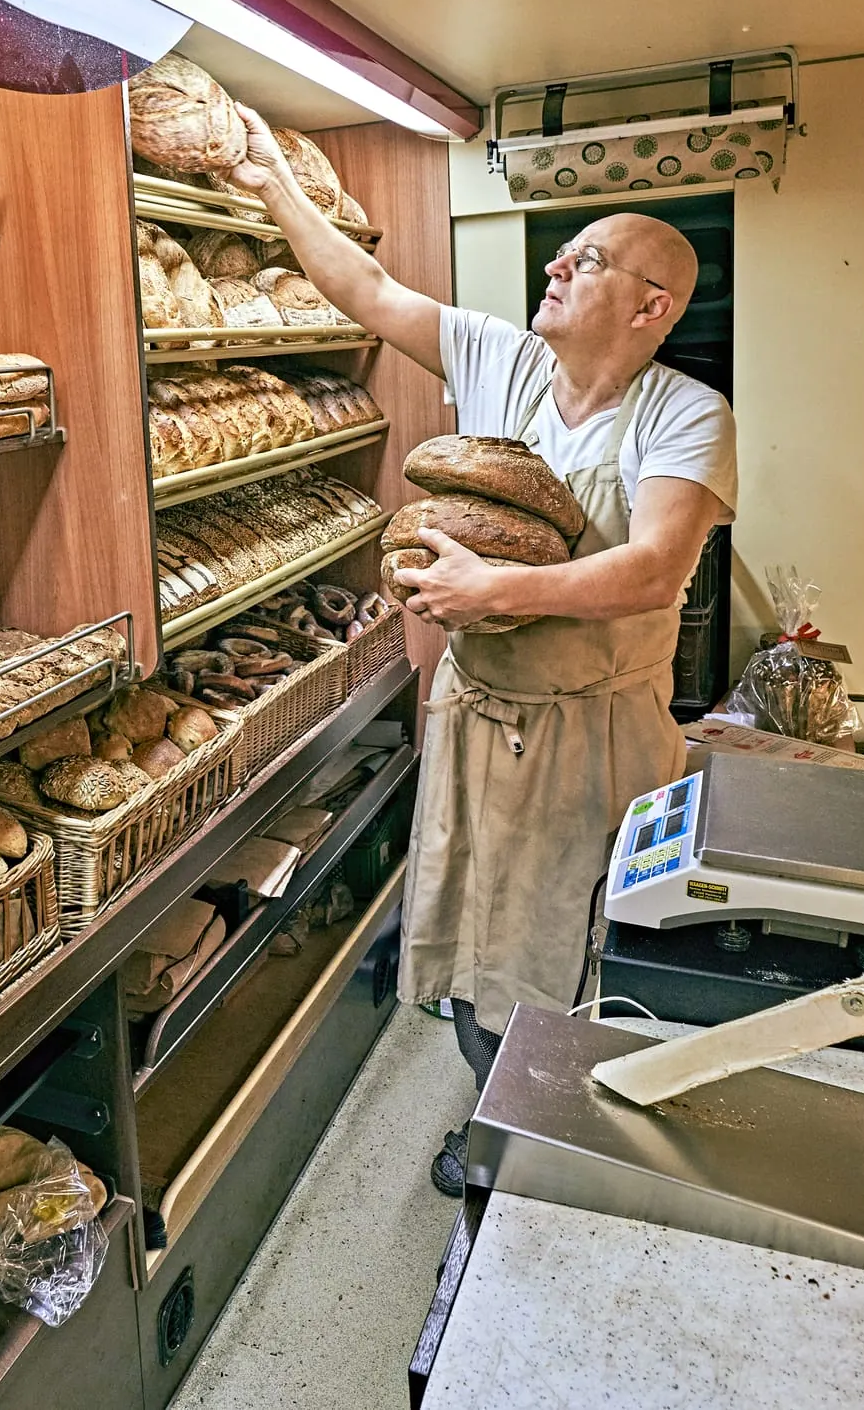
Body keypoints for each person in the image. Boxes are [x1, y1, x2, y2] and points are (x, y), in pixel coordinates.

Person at [222, 109, 737, 1196]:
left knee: (572, 950)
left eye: (585, 259)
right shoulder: (499, 358)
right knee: (473, 937)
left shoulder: (686, 414)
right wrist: (270, 181)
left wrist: (494, 589)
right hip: (476, 716)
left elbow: (653, 569)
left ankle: (566, 1154)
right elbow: (365, 291)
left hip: (594, 734)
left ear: (650, 305)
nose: (555, 265)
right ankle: (501, 1129)